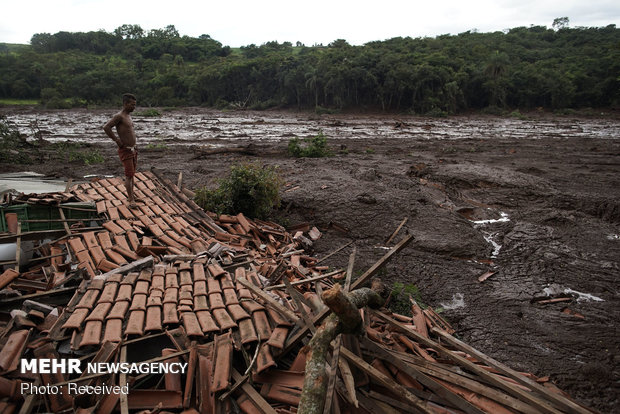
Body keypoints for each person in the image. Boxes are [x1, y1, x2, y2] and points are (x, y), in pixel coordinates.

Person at [103, 93, 139, 207]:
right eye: (132, 105)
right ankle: (130, 200)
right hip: (125, 150)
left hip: (132, 149)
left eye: (135, 105)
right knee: (128, 175)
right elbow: (106, 127)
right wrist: (117, 140)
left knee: (132, 174)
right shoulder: (119, 116)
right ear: (125, 104)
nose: (134, 107)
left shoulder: (128, 116)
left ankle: (132, 196)